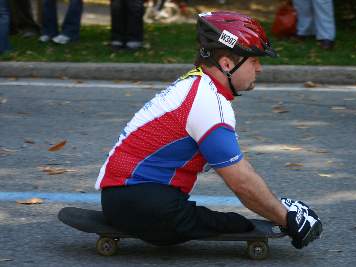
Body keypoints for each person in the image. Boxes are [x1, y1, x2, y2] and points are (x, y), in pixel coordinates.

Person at [96, 11, 323, 249]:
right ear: (226, 64)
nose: (260, 69)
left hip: (128, 198)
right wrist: (288, 219)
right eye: (254, 60)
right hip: (142, 204)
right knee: (237, 224)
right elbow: (241, 182)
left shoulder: (197, 85)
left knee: (231, 219)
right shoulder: (207, 103)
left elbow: (238, 168)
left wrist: (277, 208)